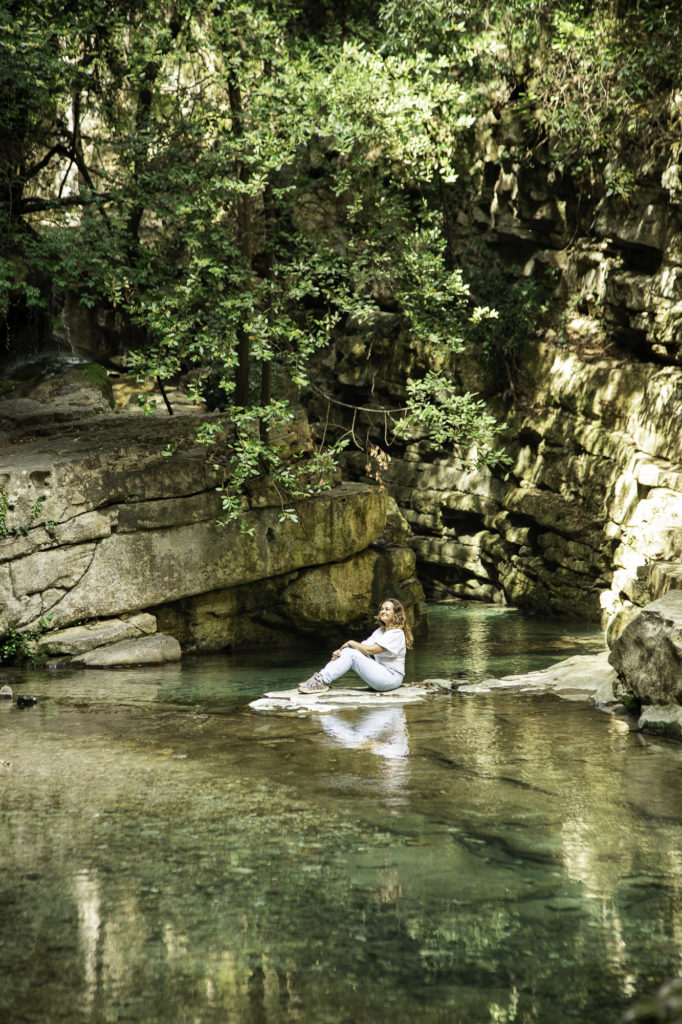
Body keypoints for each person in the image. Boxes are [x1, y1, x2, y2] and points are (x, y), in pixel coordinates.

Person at [298, 597, 414, 694]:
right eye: (381, 609)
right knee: (349, 651)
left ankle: (322, 681)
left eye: (387, 609)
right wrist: (341, 651)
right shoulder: (380, 631)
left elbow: (369, 650)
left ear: (395, 613)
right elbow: (360, 648)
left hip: (392, 678)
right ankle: (320, 678)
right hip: (381, 675)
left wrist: (350, 642)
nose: (383, 611)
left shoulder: (397, 633)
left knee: (351, 652)